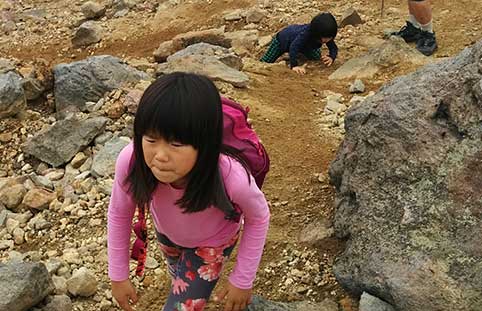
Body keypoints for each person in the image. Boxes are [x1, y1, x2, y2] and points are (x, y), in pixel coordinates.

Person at [107, 72, 270, 311]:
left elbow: (259, 217)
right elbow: (119, 214)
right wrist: (118, 275)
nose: (160, 155)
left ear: (206, 145)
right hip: (167, 235)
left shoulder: (230, 177)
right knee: (178, 275)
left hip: (213, 244)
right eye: (151, 139)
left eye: (176, 144)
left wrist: (242, 279)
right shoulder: (131, 160)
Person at [260, 12, 338, 75]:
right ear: (316, 33)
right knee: (265, 62)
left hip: (305, 46)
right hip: (282, 41)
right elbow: (294, 47)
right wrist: (294, 65)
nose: (327, 40)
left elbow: (333, 47)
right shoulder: (305, 34)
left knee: (316, 56)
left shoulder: (326, 35)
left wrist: (331, 57)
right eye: (325, 38)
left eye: (329, 37)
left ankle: (298, 54)